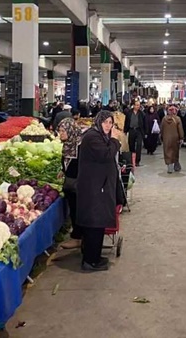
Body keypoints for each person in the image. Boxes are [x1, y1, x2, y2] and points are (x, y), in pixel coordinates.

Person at [76, 111, 124, 271]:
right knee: (93, 224)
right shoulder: (92, 137)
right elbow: (106, 154)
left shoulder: (99, 137)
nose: (108, 126)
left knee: (98, 224)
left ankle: (95, 257)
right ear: (98, 122)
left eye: (110, 123)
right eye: (105, 122)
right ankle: (90, 261)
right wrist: (116, 141)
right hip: (93, 189)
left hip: (98, 187)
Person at [57, 110, 84, 250]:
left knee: (78, 211)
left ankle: (78, 238)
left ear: (70, 130)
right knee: (73, 211)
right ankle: (77, 235)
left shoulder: (80, 146)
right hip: (70, 185)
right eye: (60, 131)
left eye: (63, 131)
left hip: (78, 187)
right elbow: (67, 162)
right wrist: (63, 170)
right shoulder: (68, 145)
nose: (60, 133)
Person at [160, 105, 184, 173]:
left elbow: (161, 129)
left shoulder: (164, 119)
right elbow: (180, 129)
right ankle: (176, 165)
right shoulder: (177, 119)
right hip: (175, 139)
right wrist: (181, 137)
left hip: (166, 138)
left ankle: (169, 167)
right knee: (175, 152)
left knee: (167, 152)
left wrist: (162, 137)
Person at [124, 100, 146, 166]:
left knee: (139, 145)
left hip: (139, 130)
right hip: (131, 130)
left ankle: (137, 161)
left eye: (138, 105)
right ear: (133, 105)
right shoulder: (129, 113)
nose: (137, 106)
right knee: (131, 145)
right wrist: (125, 130)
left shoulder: (142, 114)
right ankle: (131, 159)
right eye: (136, 105)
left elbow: (144, 124)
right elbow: (126, 122)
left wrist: (145, 133)